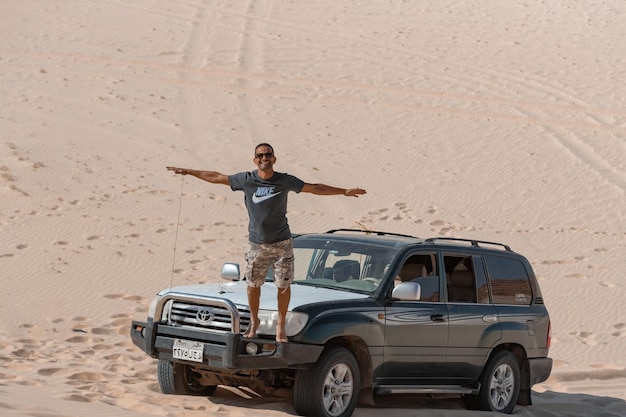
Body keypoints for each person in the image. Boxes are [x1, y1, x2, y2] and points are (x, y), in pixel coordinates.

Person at [167, 143, 366, 343]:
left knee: (283, 285)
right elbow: (217, 177)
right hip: (257, 244)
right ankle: (254, 323)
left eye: (268, 154)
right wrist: (190, 172)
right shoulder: (246, 179)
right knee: (253, 285)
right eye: (260, 155)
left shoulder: (285, 181)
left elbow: (314, 188)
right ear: (255, 160)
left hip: (282, 243)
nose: (264, 158)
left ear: (274, 158)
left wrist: (345, 191)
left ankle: (281, 325)